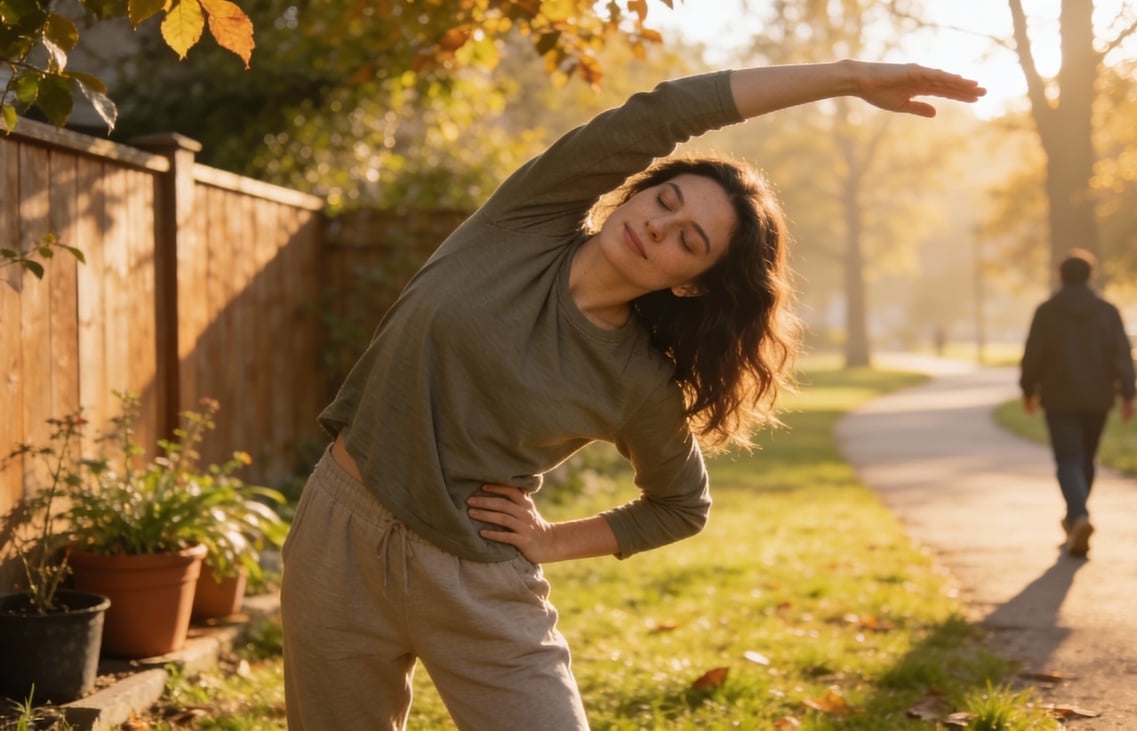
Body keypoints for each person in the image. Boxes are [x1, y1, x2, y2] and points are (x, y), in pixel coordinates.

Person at [281, 60, 986, 730]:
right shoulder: (526, 218)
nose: (658, 225)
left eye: (690, 240)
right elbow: (673, 110)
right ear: (637, 191)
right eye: (665, 199)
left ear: (692, 283)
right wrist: (850, 79)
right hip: (338, 537)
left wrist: (551, 540)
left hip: (477, 578)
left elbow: (681, 505)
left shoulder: (637, 379)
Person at [1020, 248, 1137, 559]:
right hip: (1098, 396)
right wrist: (1128, 393)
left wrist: (1027, 388)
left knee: (1068, 459)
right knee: (1086, 458)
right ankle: (1076, 518)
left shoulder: (1046, 311)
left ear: (1061, 276)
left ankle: (1078, 516)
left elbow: (1034, 354)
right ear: (1091, 275)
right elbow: (1121, 353)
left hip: (1059, 397)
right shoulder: (1107, 311)